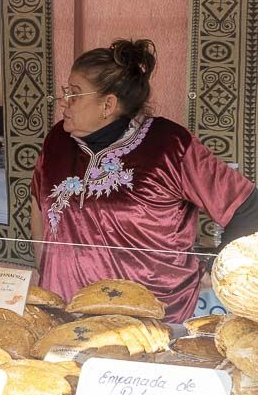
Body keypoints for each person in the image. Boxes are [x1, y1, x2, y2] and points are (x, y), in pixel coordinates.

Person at [31, 39, 258, 322]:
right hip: (66, 313)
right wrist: (47, 270)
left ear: (108, 104)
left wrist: (217, 270)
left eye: (74, 93)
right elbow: (39, 204)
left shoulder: (169, 145)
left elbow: (246, 206)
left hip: (151, 318)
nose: (62, 101)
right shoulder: (57, 142)